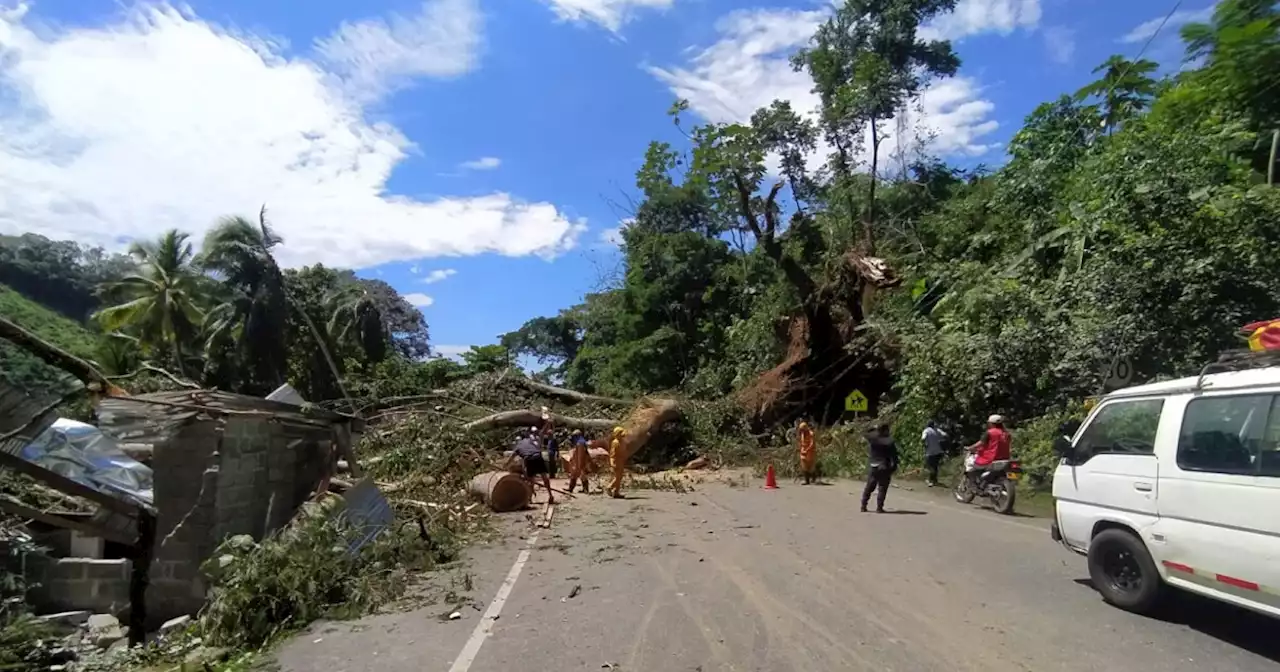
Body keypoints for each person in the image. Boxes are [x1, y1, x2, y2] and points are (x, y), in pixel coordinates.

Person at [964, 415, 1012, 487]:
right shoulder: (1007, 433)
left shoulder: (990, 432)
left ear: (991, 423)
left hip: (990, 458)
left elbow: (981, 443)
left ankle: (973, 484)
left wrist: (970, 447)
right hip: (1005, 458)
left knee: (970, 463)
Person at [861, 423, 899, 513]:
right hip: (884, 466)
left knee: (869, 486)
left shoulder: (873, 438)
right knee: (882, 487)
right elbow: (894, 455)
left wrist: (873, 427)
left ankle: (863, 505)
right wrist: (894, 466)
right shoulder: (889, 441)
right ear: (886, 431)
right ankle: (879, 507)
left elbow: (864, 432)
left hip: (873, 465)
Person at [513, 428, 554, 504]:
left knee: (531, 480)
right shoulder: (529, 440)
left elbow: (513, 456)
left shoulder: (518, 446)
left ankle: (529, 499)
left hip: (529, 458)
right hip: (538, 456)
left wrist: (505, 465)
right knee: (544, 477)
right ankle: (550, 495)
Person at [921, 420, 948, 487]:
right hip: (938, 452)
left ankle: (930, 481)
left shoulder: (926, 430)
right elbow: (945, 435)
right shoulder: (937, 430)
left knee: (930, 466)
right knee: (935, 466)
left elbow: (923, 438)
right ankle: (935, 480)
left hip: (930, 452)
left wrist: (925, 444)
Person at [566, 429, 592, 494]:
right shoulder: (582, 441)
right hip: (579, 461)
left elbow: (581, 454)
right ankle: (571, 488)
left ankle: (585, 489)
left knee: (582, 475)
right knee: (575, 475)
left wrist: (580, 465)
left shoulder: (580, 443)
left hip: (580, 462)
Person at [608, 426, 628, 499]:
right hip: (616, 461)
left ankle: (616, 492)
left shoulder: (622, 441)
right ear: (617, 434)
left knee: (620, 477)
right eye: (620, 433)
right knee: (618, 477)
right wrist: (612, 462)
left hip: (621, 461)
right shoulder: (615, 442)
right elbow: (612, 454)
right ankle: (609, 487)